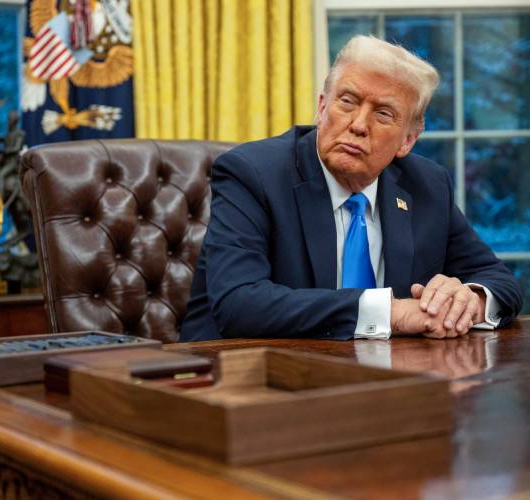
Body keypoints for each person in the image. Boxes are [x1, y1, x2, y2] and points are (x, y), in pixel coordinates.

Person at [180, 35, 522, 342]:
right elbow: (239, 304)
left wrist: (469, 300)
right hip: (241, 382)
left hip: (384, 383)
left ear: (408, 140)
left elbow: (500, 281)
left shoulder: (427, 185)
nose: (358, 125)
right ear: (321, 107)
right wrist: (394, 313)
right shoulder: (252, 173)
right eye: (347, 101)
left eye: (383, 114)